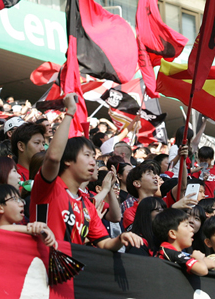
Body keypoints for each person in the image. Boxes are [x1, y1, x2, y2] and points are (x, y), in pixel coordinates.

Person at [30, 93, 141, 250]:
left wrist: (120, 239)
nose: (92, 161)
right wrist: (70, 111)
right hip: (40, 266)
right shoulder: (50, 187)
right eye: (86, 155)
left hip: (68, 272)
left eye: (93, 156)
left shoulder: (87, 205)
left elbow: (104, 243)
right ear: (67, 160)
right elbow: (53, 157)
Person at [0, 184, 56, 248]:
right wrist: (33, 229)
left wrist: (46, 232)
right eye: (15, 199)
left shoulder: (22, 232)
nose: (22, 204)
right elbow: (0, 229)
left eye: (21, 200)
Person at [153, 208, 213, 276]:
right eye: (186, 226)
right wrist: (199, 258)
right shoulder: (169, 252)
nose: (191, 229)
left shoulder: (178, 253)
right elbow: (203, 270)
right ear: (173, 234)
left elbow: (211, 264)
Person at [122, 162, 161, 228]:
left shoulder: (163, 203)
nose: (155, 176)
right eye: (149, 174)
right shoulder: (130, 213)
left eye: (154, 173)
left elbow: (182, 187)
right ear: (137, 183)